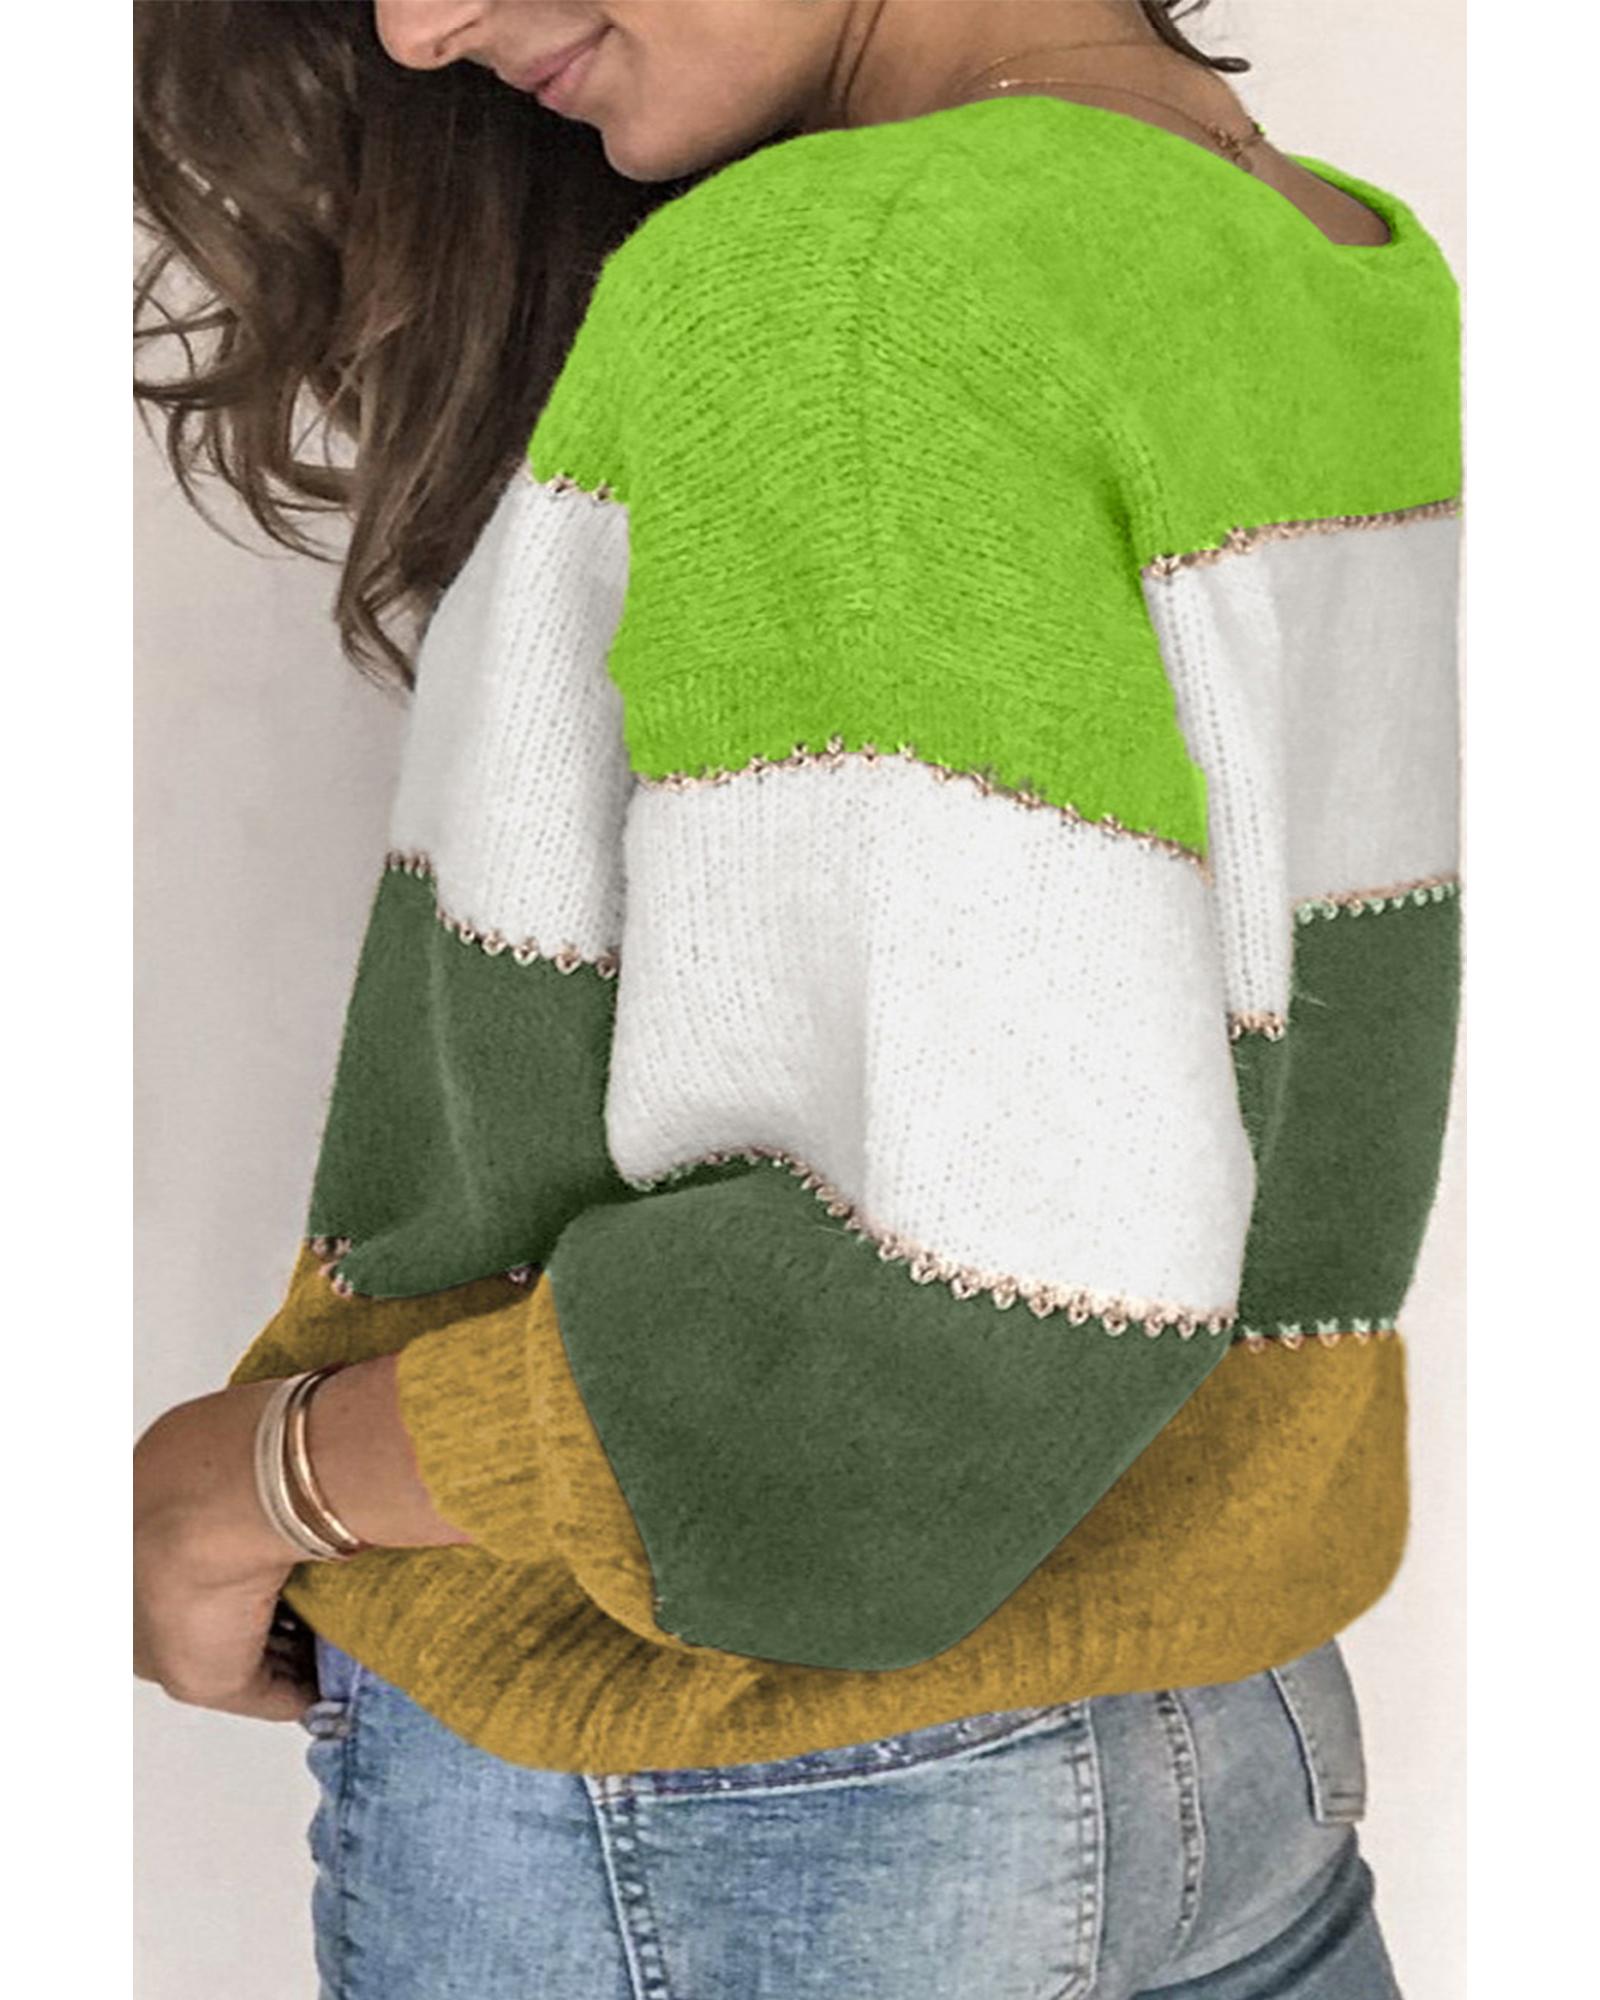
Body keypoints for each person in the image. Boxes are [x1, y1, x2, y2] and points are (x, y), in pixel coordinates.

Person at [132, 4, 1461, 1996]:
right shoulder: (1310, 248)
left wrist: (254, 1479)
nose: (418, 26)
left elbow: (955, 1312)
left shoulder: (848, 286)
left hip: (735, 1793)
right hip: (1221, 1723)